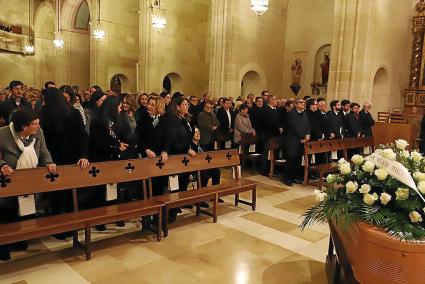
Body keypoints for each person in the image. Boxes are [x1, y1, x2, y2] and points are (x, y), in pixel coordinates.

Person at [0, 109, 56, 261]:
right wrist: (2, 165)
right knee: (6, 211)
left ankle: (18, 240)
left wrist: (49, 162)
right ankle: (3, 246)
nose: (38, 126)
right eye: (35, 124)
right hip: (8, 180)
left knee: (23, 210)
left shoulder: (39, 133)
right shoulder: (3, 134)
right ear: (24, 127)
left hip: (29, 179)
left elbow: (43, 151)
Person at [88, 96, 131, 230]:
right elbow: (98, 142)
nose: (120, 109)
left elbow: (114, 138)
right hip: (101, 159)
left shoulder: (113, 121)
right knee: (100, 190)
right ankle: (100, 220)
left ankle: (116, 216)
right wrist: (116, 146)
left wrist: (118, 144)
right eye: (118, 106)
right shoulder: (98, 121)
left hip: (113, 159)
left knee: (115, 188)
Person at [167, 96, 195, 198]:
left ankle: (182, 200)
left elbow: (188, 136)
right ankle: (175, 202)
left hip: (185, 153)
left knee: (184, 178)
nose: (187, 106)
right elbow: (174, 138)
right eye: (184, 104)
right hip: (176, 153)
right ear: (177, 107)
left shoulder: (185, 119)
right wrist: (186, 149)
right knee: (177, 179)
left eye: (187, 104)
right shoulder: (174, 120)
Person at [190, 127, 222, 207]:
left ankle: (215, 194)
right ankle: (201, 198)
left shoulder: (200, 144)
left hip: (203, 166)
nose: (198, 134)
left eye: (198, 132)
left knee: (216, 171)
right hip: (195, 168)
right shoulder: (191, 146)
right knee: (204, 174)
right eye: (195, 132)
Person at [283, 98, 311, 186]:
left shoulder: (305, 114)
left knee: (298, 160)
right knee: (291, 160)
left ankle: (294, 177)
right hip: (292, 140)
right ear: (296, 104)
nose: (303, 104)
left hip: (302, 141)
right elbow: (293, 127)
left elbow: (308, 125)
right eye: (301, 102)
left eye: (304, 103)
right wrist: (303, 136)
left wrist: (308, 134)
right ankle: (287, 179)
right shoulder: (291, 114)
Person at [260, 95, 283, 175]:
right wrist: (278, 127)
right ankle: (264, 170)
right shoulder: (266, 109)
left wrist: (280, 127)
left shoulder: (275, 109)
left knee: (274, 153)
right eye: (275, 99)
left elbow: (277, 121)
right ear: (270, 100)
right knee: (266, 153)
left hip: (275, 135)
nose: (277, 101)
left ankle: (273, 169)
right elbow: (268, 122)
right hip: (268, 135)